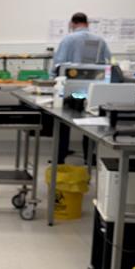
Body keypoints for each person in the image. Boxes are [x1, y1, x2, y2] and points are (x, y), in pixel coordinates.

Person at [52, 12, 111, 164]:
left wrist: (52, 80)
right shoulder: (100, 41)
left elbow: (58, 65)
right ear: (87, 23)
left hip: (71, 89)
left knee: (63, 121)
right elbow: (108, 63)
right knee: (90, 123)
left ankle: (60, 157)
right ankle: (88, 158)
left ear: (72, 23)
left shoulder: (68, 39)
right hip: (93, 89)